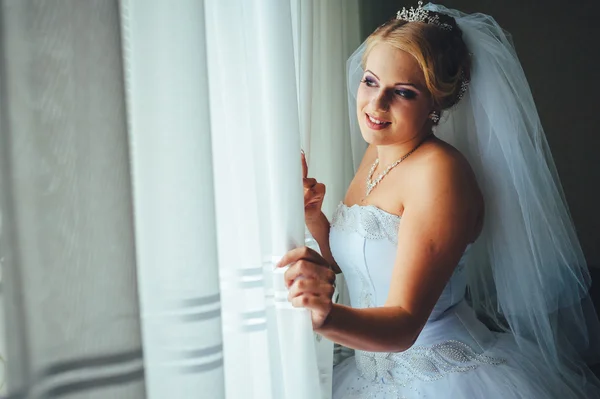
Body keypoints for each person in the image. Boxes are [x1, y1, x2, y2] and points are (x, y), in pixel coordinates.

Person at [277, 2, 600, 398]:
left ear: (437, 102)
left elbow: (404, 325)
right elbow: (359, 267)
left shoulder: (440, 174)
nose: (376, 106)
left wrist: (323, 318)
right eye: (370, 81)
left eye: (404, 93)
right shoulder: (379, 152)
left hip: (442, 377)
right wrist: (314, 218)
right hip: (369, 377)